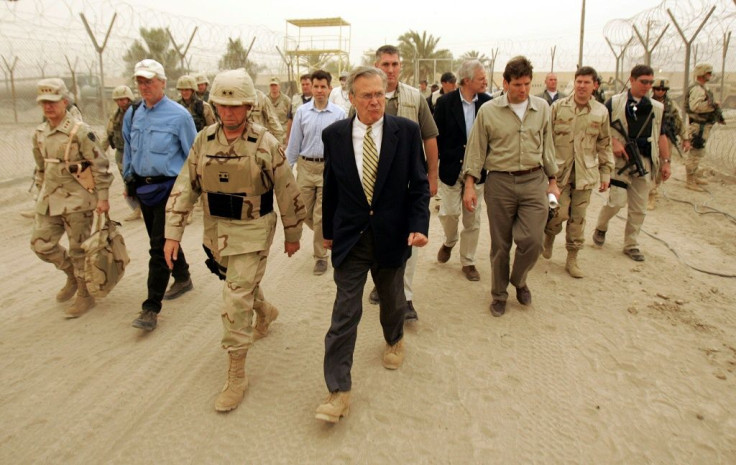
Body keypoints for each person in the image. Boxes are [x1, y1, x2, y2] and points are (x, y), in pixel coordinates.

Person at [163, 68, 305, 412]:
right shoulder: (204, 141)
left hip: (254, 230)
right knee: (237, 284)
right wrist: (172, 234)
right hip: (217, 232)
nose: (229, 113)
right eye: (223, 106)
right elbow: (185, 187)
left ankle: (237, 373)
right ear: (214, 106)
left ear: (249, 107)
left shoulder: (265, 144)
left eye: (237, 106)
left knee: (233, 298)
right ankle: (265, 310)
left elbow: (287, 189)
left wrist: (292, 233)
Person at [315, 66, 429, 423]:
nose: (375, 101)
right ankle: (338, 391)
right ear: (351, 98)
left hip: (392, 235)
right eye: (367, 95)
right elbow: (331, 186)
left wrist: (418, 225)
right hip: (351, 237)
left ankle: (394, 338)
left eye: (380, 94)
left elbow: (419, 185)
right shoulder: (334, 134)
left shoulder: (406, 132)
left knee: (393, 300)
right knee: (345, 312)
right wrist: (328, 232)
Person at [462, 56, 559, 317]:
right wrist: (470, 185)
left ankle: (519, 279)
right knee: (500, 245)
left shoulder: (542, 109)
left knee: (533, 241)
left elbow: (548, 147)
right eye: (517, 84)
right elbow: (476, 152)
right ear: (505, 83)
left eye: (527, 84)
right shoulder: (489, 111)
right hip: (500, 183)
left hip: (533, 180)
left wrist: (553, 181)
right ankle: (499, 294)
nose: (523, 90)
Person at [123, 59, 197, 331]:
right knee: (163, 239)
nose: (144, 87)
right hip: (144, 189)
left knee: (157, 246)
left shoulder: (179, 116)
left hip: (169, 189)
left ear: (163, 83)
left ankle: (151, 307)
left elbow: (193, 156)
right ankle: (183, 276)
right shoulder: (133, 114)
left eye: (149, 81)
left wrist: (191, 194)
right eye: (140, 82)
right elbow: (129, 149)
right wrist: (128, 180)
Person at [367, 44, 439, 321]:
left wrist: (431, 176)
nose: (391, 69)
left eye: (395, 64)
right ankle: (382, 282)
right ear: (376, 66)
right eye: (385, 64)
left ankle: (405, 298)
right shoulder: (365, 97)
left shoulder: (415, 97)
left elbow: (429, 137)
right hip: (374, 185)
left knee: (410, 237)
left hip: (409, 182)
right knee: (376, 237)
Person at [30, 78, 113, 318]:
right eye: (44, 103)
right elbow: (40, 168)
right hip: (49, 201)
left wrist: (103, 198)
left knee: (79, 250)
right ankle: (71, 275)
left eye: (53, 102)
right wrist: (39, 193)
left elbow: (100, 165)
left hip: (78, 201)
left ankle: (85, 294)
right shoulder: (39, 134)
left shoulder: (80, 131)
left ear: (64, 102)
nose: (48, 107)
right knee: (40, 244)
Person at [592, 64, 671, 262]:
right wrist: (614, 142)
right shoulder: (615, 103)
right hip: (620, 161)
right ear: (632, 80)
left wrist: (666, 162)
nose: (647, 86)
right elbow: (600, 130)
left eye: (650, 83)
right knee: (616, 202)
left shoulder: (657, 108)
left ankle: (631, 243)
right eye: (643, 82)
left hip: (644, 160)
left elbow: (662, 135)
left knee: (639, 207)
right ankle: (601, 226)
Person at [542, 66, 613, 278]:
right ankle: (549, 235)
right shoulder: (558, 107)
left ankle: (572, 257)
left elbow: (604, 142)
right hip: (559, 173)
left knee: (578, 218)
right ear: (574, 83)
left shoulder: (601, 112)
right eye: (578, 82)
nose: (582, 86)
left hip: (585, 174)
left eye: (586, 82)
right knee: (558, 212)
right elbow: (546, 140)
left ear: (595, 85)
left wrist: (606, 172)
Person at [433, 60, 491, 281]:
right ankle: (449, 241)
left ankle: (468, 261)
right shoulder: (445, 103)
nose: (485, 80)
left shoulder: (488, 103)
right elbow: (436, 137)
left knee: (472, 219)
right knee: (448, 213)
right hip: (450, 169)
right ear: (467, 81)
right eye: (481, 77)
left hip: (476, 170)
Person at [286, 69, 346, 275]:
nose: (319, 91)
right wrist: (286, 170)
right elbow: (294, 143)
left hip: (327, 169)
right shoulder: (302, 112)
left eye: (323, 87)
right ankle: (329, 233)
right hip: (305, 167)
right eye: (316, 86)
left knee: (321, 215)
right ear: (310, 88)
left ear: (330, 89)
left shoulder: (339, 114)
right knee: (301, 211)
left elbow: (342, 146)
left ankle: (320, 257)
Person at [649, 77, 690, 208]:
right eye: (657, 89)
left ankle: (653, 191)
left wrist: (685, 138)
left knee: (663, 165)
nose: (660, 92)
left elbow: (678, 122)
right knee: (649, 165)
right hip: (650, 137)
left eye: (663, 89)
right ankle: (650, 193)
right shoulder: (646, 102)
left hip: (666, 139)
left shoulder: (671, 105)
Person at [684, 62, 725, 191]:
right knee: (695, 153)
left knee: (699, 152)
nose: (710, 75)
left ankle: (694, 176)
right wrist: (712, 105)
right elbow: (695, 107)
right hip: (698, 126)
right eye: (708, 73)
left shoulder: (703, 88)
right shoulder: (697, 89)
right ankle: (690, 181)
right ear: (702, 74)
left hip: (703, 125)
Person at [103, 85, 141, 221]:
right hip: (121, 151)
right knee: (128, 181)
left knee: (142, 179)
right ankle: (136, 208)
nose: (121, 102)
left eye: (123, 99)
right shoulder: (116, 115)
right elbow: (109, 133)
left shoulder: (138, 111)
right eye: (118, 100)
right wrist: (101, 151)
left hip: (137, 151)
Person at [285, 74, 313, 144]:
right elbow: (290, 120)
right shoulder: (295, 99)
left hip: (312, 137)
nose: (305, 86)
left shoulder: (317, 100)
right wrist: (288, 138)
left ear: (312, 85)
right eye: (303, 84)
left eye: (307, 84)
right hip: (297, 136)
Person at [267, 77, 291, 144]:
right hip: (269, 133)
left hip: (283, 134)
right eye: (271, 85)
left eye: (275, 85)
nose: (273, 87)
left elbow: (291, 118)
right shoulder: (265, 100)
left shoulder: (286, 100)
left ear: (279, 86)